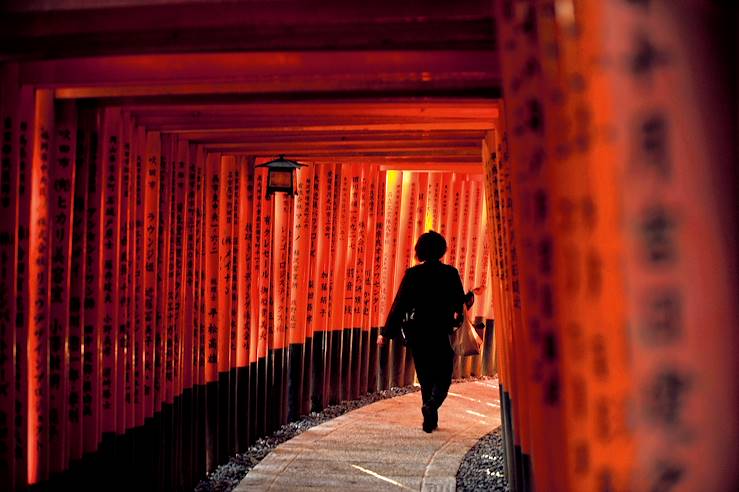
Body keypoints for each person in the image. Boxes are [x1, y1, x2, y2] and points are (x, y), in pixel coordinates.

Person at [377, 231, 470, 433]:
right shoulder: (450, 273)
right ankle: (432, 405)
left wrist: (386, 332)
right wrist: (470, 297)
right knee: (444, 373)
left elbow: (399, 304)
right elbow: (459, 303)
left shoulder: (413, 274)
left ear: (420, 251)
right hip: (440, 329)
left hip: (417, 332)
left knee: (426, 375)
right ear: (441, 250)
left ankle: (430, 419)